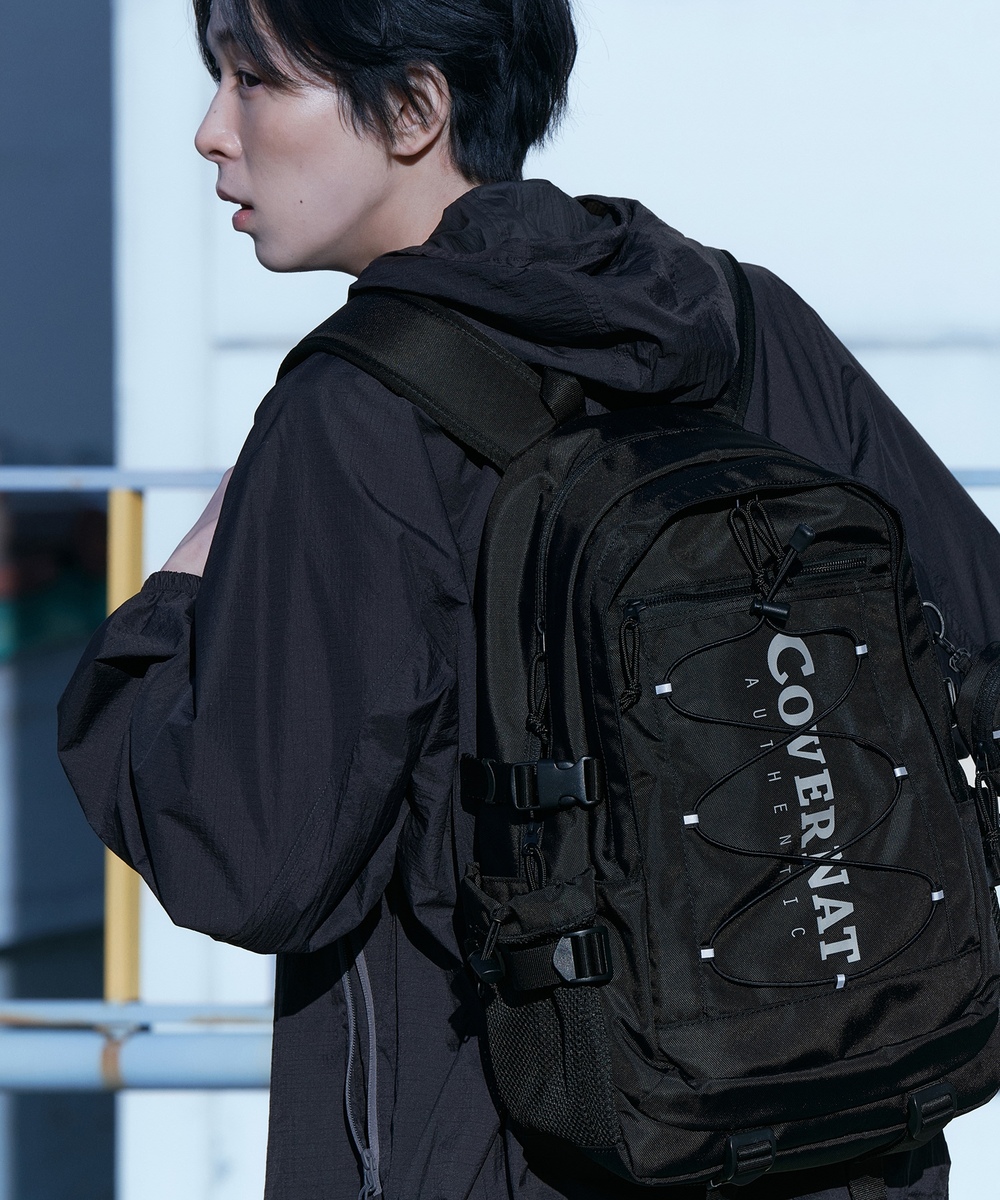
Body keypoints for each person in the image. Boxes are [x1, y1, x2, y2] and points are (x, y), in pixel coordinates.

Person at [57, 0, 1000, 1197]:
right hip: (847, 1136)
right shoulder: (747, 323)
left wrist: (174, 598)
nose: (212, 130)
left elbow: (249, 863)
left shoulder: (354, 414)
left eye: (255, 80)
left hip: (518, 1153)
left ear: (414, 109)